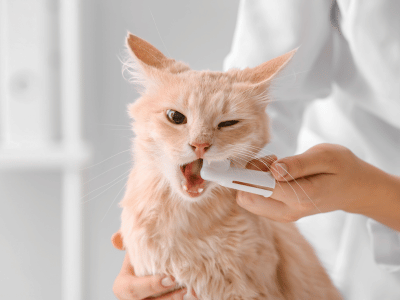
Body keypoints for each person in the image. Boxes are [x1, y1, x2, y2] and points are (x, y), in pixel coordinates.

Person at [112, 0, 400, 299]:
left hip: (358, 196)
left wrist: (364, 190)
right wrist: (158, 233)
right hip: (346, 203)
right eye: (176, 118)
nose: (200, 142)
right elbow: (269, 103)